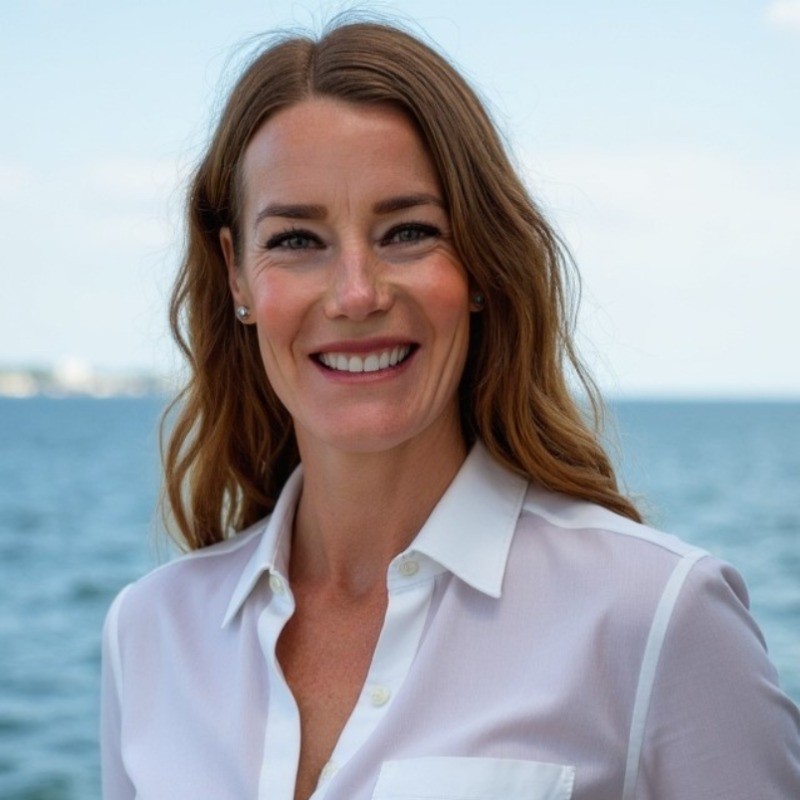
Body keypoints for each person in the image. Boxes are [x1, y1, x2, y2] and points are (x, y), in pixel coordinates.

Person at [100, 19, 800, 800]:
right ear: (237, 275)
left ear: (479, 263)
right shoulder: (148, 633)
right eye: (297, 240)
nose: (357, 293)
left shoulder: (658, 616)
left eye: (408, 232)